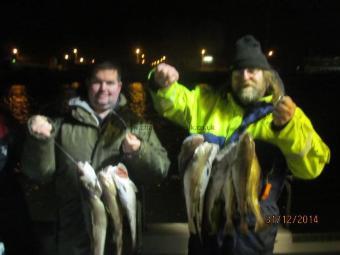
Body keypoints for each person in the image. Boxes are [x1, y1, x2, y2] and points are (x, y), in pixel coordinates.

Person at [148, 35, 330, 254]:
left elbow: (311, 168)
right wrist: (162, 83)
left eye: (252, 70)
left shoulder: (287, 113)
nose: (245, 76)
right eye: (239, 71)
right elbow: (176, 103)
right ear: (231, 75)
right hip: (207, 228)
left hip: (255, 231)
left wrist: (287, 128)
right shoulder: (206, 104)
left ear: (266, 75)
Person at [21, 61, 170, 255]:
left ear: (119, 86)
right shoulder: (62, 124)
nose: (103, 89)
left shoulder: (138, 124)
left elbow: (160, 171)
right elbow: (37, 173)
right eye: (97, 82)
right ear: (88, 83)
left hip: (121, 244)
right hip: (72, 241)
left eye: (110, 83)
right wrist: (39, 140)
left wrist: (139, 151)